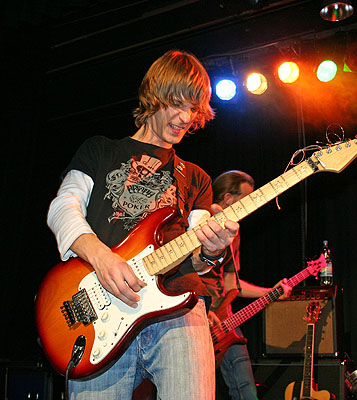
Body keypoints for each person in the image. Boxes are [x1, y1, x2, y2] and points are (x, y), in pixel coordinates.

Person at [46, 50, 239, 399]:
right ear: (154, 95)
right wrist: (102, 258)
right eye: (177, 104)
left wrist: (212, 251)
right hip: (99, 311)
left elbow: (198, 259)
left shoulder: (196, 177)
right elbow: (63, 209)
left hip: (177, 308)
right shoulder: (100, 150)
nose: (185, 118)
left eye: (193, 109)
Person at [200, 170, 292, 400]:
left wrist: (271, 292)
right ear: (228, 198)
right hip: (198, 317)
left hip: (225, 321)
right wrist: (202, 310)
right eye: (246, 198)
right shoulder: (201, 223)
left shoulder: (235, 236)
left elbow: (232, 284)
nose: (252, 204)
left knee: (246, 389)